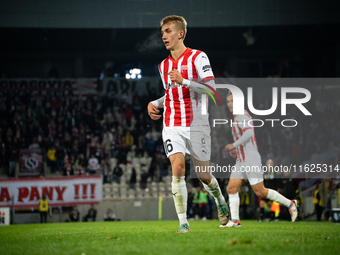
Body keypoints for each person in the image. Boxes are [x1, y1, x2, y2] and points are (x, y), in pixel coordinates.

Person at [147, 15, 229, 233]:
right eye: (162, 32)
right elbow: (170, 95)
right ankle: (183, 223)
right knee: (177, 168)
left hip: (197, 124)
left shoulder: (198, 57)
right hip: (172, 123)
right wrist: (154, 103)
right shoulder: (163, 65)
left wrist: (185, 81)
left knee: (203, 175)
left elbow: (212, 90)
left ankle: (220, 200)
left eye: (168, 31)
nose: (164, 36)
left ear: (180, 33)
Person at [221, 91, 298, 228]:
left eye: (232, 101)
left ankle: (291, 204)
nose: (230, 104)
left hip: (251, 159)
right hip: (241, 159)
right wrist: (236, 151)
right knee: (231, 188)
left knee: (260, 191)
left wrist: (233, 145)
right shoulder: (237, 117)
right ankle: (235, 221)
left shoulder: (242, 115)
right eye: (228, 101)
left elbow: (249, 132)